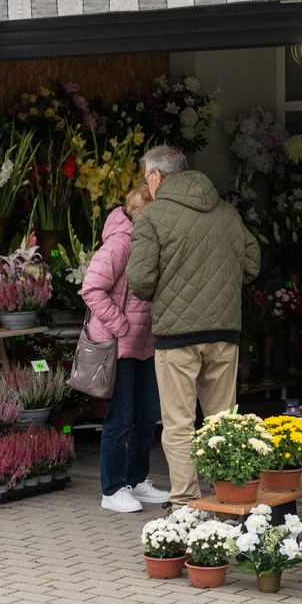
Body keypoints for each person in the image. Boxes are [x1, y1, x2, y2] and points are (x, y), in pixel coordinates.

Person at [126, 144, 260, 506]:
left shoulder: (152, 218)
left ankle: (186, 505)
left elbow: (139, 281)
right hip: (224, 332)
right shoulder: (228, 213)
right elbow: (252, 265)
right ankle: (228, 500)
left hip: (176, 336)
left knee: (179, 424)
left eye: (145, 177)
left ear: (156, 177)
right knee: (222, 424)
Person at [80, 185, 167, 513]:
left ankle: (136, 481)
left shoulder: (149, 243)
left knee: (147, 415)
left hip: (145, 345)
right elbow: (91, 289)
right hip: (117, 346)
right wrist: (121, 326)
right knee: (121, 417)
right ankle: (112, 489)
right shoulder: (120, 243)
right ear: (137, 212)